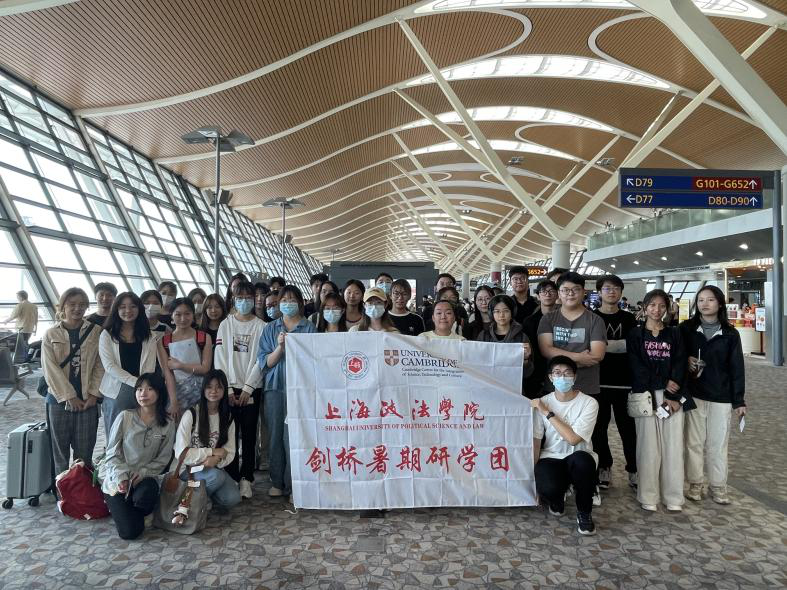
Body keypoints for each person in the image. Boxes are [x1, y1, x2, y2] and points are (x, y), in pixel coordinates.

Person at [538, 272, 606, 504]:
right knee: (554, 435)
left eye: (575, 289)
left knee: (589, 438)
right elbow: (546, 350)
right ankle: (561, 480)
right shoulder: (549, 319)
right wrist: (579, 358)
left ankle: (589, 484)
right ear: (558, 293)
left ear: (583, 292)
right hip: (556, 389)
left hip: (587, 387)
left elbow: (597, 354)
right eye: (565, 290)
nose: (570, 294)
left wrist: (563, 357)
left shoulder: (594, 320)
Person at [680, 285, 745, 505]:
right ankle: (695, 483)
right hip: (694, 395)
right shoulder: (686, 329)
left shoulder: (730, 333)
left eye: (710, 300)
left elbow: (737, 368)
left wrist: (739, 400)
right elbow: (675, 354)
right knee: (693, 443)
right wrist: (686, 360)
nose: (704, 304)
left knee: (718, 444)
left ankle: (718, 486)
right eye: (700, 300)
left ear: (719, 303)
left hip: (721, 397)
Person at [627, 289, 690, 513]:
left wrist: (673, 395)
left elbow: (680, 362)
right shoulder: (635, 334)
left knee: (673, 447)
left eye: (662, 306)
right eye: (652, 305)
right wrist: (662, 381)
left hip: (671, 396)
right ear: (644, 307)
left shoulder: (674, 333)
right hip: (645, 396)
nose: (657, 310)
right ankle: (648, 495)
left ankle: (673, 496)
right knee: (648, 448)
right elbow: (635, 365)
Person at [258, 285, 317, 501]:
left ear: (300, 303)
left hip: (300, 390)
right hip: (275, 388)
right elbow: (265, 362)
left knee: (295, 436)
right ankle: (277, 481)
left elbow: (314, 361)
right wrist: (280, 348)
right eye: (284, 300)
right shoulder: (270, 328)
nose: (288, 304)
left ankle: (294, 485)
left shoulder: (309, 328)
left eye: (293, 300)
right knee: (274, 435)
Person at [101, 373, 176, 540]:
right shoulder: (125, 416)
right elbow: (111, 453)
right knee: (130, 532)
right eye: (139, 389)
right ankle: (123, 508)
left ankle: (134, 508)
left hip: (144, 478)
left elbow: (163, 459)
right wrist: (121, 477)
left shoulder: (168, 423)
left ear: (159, 392)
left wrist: (142, 473)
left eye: (149, 389)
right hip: (118, 481)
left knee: (146, 494)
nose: (143, 394)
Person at [532, 356, 599, 536]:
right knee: (547, 487)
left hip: (579, 455)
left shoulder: (589, 403)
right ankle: (557, 499)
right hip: (551, 456)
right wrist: (533, 482)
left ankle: (584, 513)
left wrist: (546, 412)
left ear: (575, 377)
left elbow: (573, 439)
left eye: (567, 373)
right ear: (550, 377)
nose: (562, 377)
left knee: (583, 463)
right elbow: (536, 442)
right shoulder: (543, 401)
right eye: (557, 373)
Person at [42, 287, 103, 475]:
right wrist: (69, 396)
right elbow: (50, 369)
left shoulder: (96, 331)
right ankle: (61, 489)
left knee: (84, 455)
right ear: (63, 306)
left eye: (82, 305)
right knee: (59, 455)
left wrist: (94, 395)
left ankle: (82, 490)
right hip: (58, 402)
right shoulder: (51, 334)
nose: (77, 308)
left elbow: (100, 365)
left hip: (87, 402)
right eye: (72, 304)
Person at [213, 280, 265, 499]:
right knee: (230, 435)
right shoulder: (225, 325)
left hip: (252, 388)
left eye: (248, 298)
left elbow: (261, 360)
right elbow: (220, 358)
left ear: (254, 299)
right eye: (240, 298)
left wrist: (248, 388)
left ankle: (247, 478)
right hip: (229, 388)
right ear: (233, 299)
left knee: (250, 434)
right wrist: (228, 388)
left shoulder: (261, 326)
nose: (244, 302)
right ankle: (232, 476)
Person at [590, 275, 638, 491]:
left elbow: (632, 346)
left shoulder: (629, 319)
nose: (612, 292)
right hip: (597, 382)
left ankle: (634, 469)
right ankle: (604, 466)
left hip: (624, 383)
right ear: (599, 292)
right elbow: (590, 346)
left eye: (616, 288)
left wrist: (601, 346)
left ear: (621, 292)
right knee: (599, 429)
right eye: (607, 288)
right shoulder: (592, 317)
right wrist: (617, 345)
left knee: (628, 429)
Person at [99, 292, 167, 441]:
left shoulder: (150, 335)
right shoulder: (107, 334)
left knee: (140, 434)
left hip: (143, 390)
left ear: (139, 309)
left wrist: (142, 386)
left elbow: (150, 366)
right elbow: (109, 366)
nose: (128, 311)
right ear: (116, 310)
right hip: (117, 391)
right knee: (116, 435)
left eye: (133, 306)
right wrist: (135, 382)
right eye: (122, 307)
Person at [174, 369, 240, 513]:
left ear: (224, 390)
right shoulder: (191, 414)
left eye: (218, 387)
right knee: (217, 477)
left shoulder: (228, 417)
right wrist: (212, 452)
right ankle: (190, 505)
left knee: (233, 498)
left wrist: (216, 460)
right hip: (189, 470)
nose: (213, 391)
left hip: (212, 468)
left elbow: (229, 451)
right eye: (209, 387)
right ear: (203, 389)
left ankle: (203, 498)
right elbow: (181, 453)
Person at [160, 298, 213, 412]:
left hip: (202, 390)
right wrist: (173, 401)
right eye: (178, 314)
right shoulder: (163, 341)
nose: (183, 319)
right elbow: (168, 374)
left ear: (193, 315)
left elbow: (205, 368)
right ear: (171, 316)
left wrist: (180, 366)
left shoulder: (204, 337)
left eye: (187, 314)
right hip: (176, 392)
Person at [476, 294, 533, 382]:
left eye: (506, 311)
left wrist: (526, 360)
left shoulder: (521, 337)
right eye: (497, 311)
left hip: (512, 385)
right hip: (488, 384)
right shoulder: (484, 336)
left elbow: (528, 373)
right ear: (491, 313)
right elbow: (477, 364)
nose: (501, 315)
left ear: (512, 312)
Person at [523, 280, 558, 399]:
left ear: (557, 294)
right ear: (538, 296)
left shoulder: (565, 319)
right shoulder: (529, 321)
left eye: (551, 291)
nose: (547, 294)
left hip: (558, 369)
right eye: (543, 291)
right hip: (536, 372)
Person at [2, 290, 38, 362]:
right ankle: (26, 359)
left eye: (17, 297)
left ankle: (22, 360)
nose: (17, 298)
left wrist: (6, 321)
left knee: (21, 345)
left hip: (21, 328)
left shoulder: (20, 305)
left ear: (21, 297)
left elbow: (14, 315)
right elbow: (36, 318)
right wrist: (35, 328)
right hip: (29, 328)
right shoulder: (33, 306)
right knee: (25, 343)